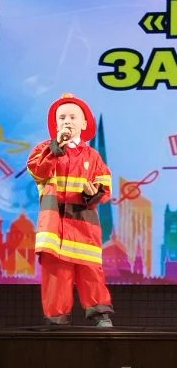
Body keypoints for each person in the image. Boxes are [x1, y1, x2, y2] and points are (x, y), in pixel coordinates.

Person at [27, 93, 114, 328]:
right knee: (57, 272)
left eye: (73, 117)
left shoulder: (92, 156)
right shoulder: (45, 150)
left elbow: (105, 185)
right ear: (56, 124)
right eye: (62, 117)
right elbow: (38, 171)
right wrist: (55, 149)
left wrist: (93, 192)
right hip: (54, 223)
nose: (67, 121)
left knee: (90, 270)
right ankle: (56, 318)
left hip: (83, 222)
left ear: (84, 124)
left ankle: (100, 313)